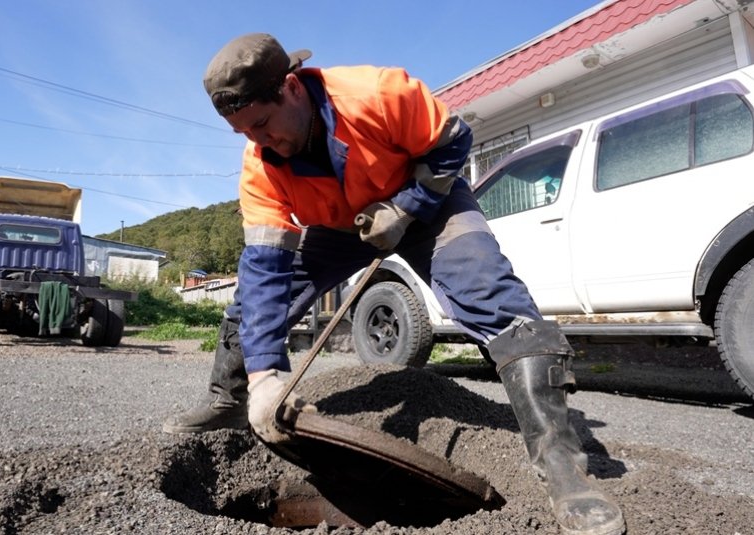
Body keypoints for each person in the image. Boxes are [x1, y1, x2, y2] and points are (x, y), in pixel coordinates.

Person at [163, 33, 625, 535]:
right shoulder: (261, 167)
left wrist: (407, 208)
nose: (258, 141)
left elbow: (454, 142)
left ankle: (561, 465)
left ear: (290, 88)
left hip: (427, 204)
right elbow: (265, 271)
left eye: (261, 124)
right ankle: (232, 402)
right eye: (244, 133)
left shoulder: (379, 94)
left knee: (495, 298)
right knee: (249, 304)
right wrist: (264, 378)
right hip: (338, 228)